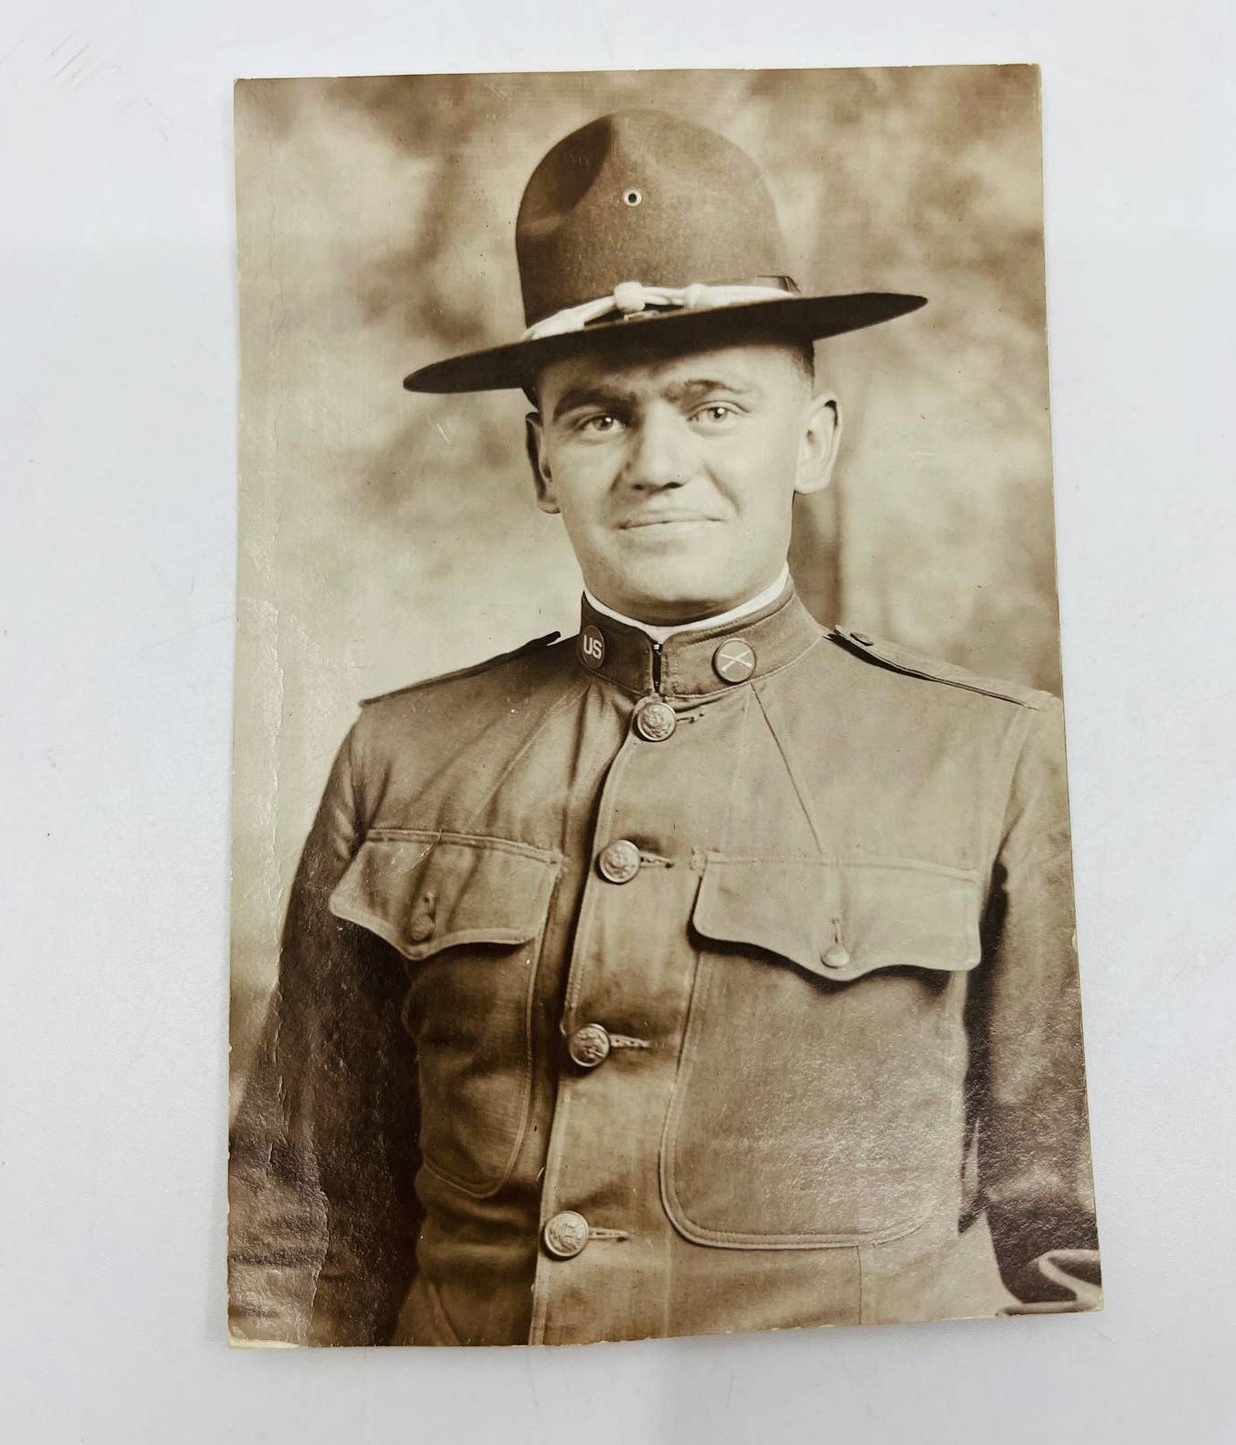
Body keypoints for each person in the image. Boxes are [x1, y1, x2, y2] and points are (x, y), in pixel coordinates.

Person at [228, 108, 1100, 1347]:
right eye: (597, 416)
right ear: (541, 462)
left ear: (811, 439)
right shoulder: (399, 756)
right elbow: (294, 1228)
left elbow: (1072, 1254)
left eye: (712, 406)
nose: (655, 461)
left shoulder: (997, 756)